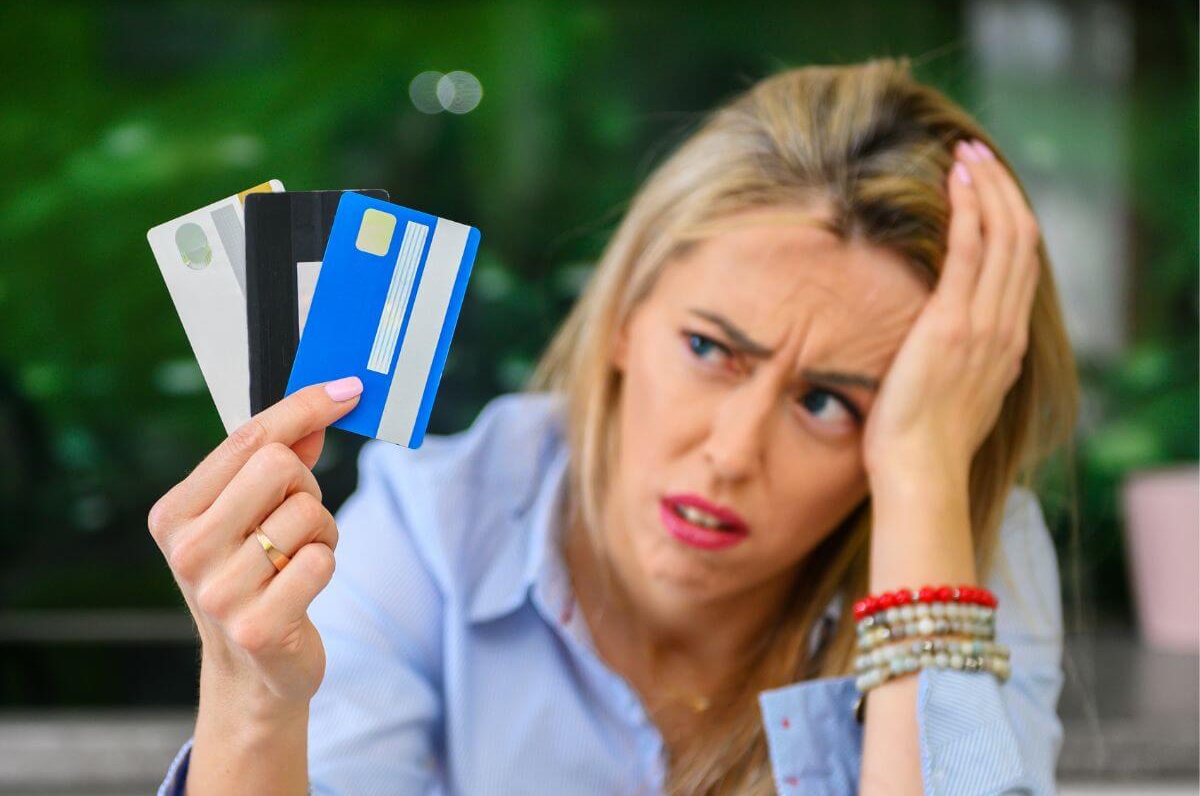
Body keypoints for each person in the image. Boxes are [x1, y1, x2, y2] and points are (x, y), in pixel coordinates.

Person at [151, 57, 1077, 795]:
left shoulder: (953, 537)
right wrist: (250, 694)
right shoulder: (434, 526)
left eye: (830, 404)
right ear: (624, 313)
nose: (730, 452)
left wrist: (920, 478)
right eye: (712, 349)